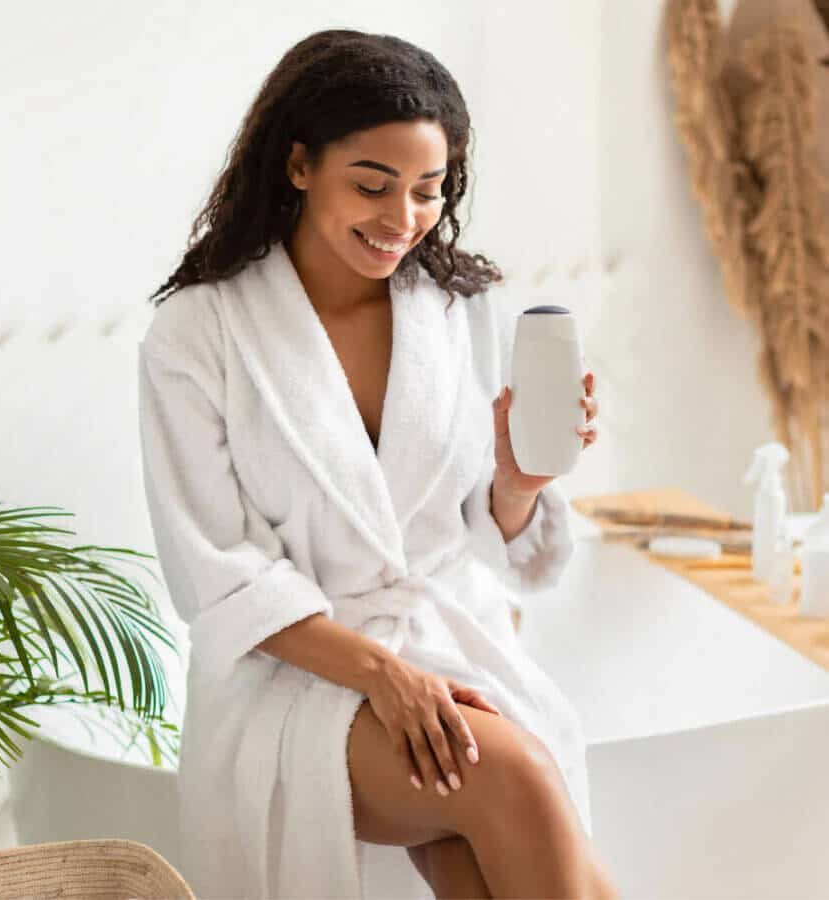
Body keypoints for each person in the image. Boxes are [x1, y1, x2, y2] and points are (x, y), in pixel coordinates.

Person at [137, 27, 617, 900]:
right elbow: (218, 576)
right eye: (372, 185)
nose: (402, 220)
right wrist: (387, 678)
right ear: (297, 167)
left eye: (429, 192)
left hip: (444, 642)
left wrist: (519, 481)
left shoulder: (455, 310)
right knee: (513, 778)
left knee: (484, 863)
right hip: (292, 679)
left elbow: (479, 530)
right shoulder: (198, 336)